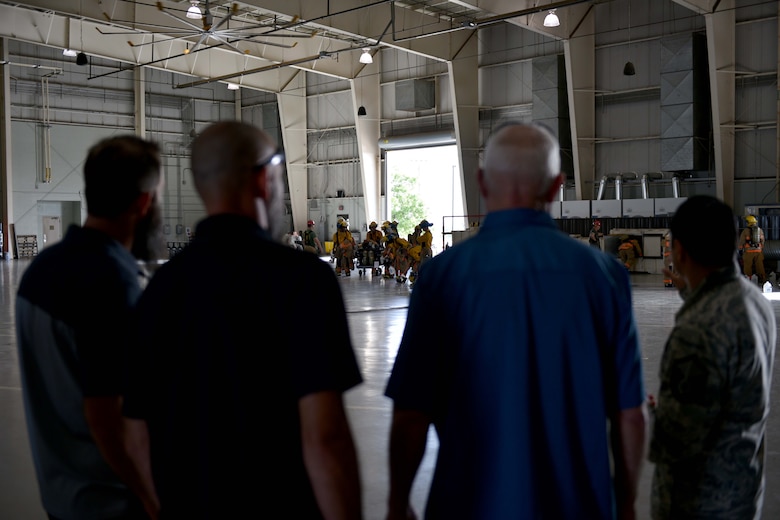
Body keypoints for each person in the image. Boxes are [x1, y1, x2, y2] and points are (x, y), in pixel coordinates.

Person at [385, 122, 647, 520]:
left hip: (466, 505)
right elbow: (629, 414)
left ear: (482, 183)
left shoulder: (442, 277)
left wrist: (397, 502)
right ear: (557, 186)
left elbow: (411, 414)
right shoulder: (605, 276)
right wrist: (625, 503)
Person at [122, 121, 363, 519]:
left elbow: (135, 434)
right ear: (263, 179)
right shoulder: (302, 282)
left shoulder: (158, 291)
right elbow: (325, 438)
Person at [15, 135, 164, 520]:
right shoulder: (109, 280)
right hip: (112, 502)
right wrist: (153, 497)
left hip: (61, 497)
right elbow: (107, 417)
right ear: (144, 202)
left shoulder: (42, 270)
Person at [650, 195, 776, 519]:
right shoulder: (754, 302)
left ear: (678, 250)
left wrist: (651, 414)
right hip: (742, 493)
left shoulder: (697, 331)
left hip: (699, 503)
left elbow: (678, 440)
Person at [739, 214, 765, 284]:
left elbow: (741, 241)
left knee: (747, 266)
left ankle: (748, 280)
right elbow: (762, 241)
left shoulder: (745, 231)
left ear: (748, 222)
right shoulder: (760, 230)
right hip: (758, 251)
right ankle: (763, 279)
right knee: (760, 266)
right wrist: (761, 248)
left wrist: (740, 249)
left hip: (748, 252)